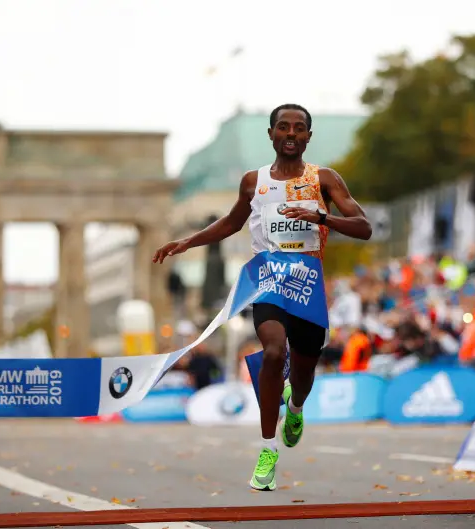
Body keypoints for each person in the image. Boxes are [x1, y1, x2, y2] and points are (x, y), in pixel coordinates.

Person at [152, 104, 372, 490]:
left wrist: (321, 218)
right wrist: (188, 241)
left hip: (307, 283)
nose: (291, 134)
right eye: (283, 127)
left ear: (308, 137)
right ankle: (268, 448)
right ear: (270, 134)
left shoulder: (324, 178)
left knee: (303, 373)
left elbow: (364, 227)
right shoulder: (253, 182)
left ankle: (297, 407)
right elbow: (232, 222)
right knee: (272, 352)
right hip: (268, 278)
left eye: (299, 128)